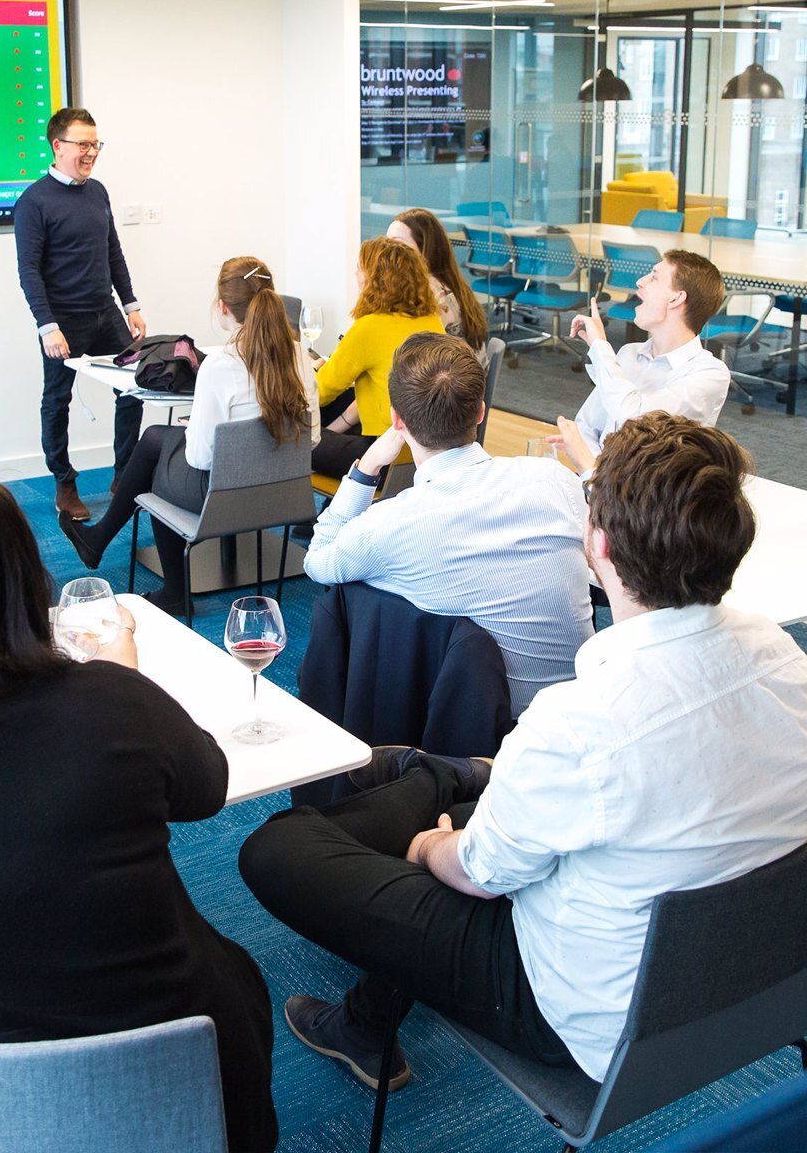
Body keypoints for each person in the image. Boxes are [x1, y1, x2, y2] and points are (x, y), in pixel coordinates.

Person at [240, 411, 807, 1096]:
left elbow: (477, 874)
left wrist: (425, 849)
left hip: (588, 1017)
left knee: (276, 851)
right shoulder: (784, 659)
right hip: (759, 981)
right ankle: (437, 798)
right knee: (469, 795)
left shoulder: (578, 721)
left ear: (595, 543)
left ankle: (434, 778)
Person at [0, 474, 277, 1153]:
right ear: (29, 582)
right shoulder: (110, 699)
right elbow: (207, 788)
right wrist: (126, 685)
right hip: (184, 1091)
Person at [304, 333, 591, 717]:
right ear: (480, 412)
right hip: (585, 708)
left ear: (397, 421)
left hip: (495, 734)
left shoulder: (392, 525)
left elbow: (317, 559)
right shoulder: (556, 481)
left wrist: (368, 467)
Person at [60, 256, 319, 613]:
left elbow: (200, 458)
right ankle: (98, 540)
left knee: (155, 455)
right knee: (157, 438)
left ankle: (174, 593)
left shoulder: (222, 363)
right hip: (287, 495)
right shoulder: (299, 355)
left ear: (223, 306)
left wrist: (197, 430)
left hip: (223, 501)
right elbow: (312, 438)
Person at [14, 106, 146, 521]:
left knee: (135, 386)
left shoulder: (98, 191)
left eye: (96, 144)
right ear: (58, 146)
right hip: (62, 321)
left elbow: (113, 252)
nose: (91, 152)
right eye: (83, 145)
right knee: (57, 400)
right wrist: (46, 326)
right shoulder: (33, 202)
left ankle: (123, 473)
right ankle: (64, 484)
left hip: (104, 312)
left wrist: (131, 306)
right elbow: (28, 271)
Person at [551, 248, 729, 474]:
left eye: (654, 277)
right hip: (598, 486)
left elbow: (635, 419)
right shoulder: (629, 354)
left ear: (676, 298)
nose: (640, 281)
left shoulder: (709, 374)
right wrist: (597, 475)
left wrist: (600, 348)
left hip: (648, 504)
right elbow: (585, 425)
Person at [311, 237, 444, 479]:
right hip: (428, 450)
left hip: (385, 455)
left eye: (360, 268)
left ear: (376, 279)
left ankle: (341, 508)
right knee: (342, 409)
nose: (355, 274)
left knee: (296, 440)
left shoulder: (369, 327)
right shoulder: (432, 320)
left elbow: (319, 393)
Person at [386, 207, 489, 364]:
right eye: (386, 242)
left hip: (452, 382)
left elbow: (410, 349)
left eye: (397, 244)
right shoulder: (449, 281)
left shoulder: (427, 290)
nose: (386, 251)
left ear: (424, 247)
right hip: (464, 377)